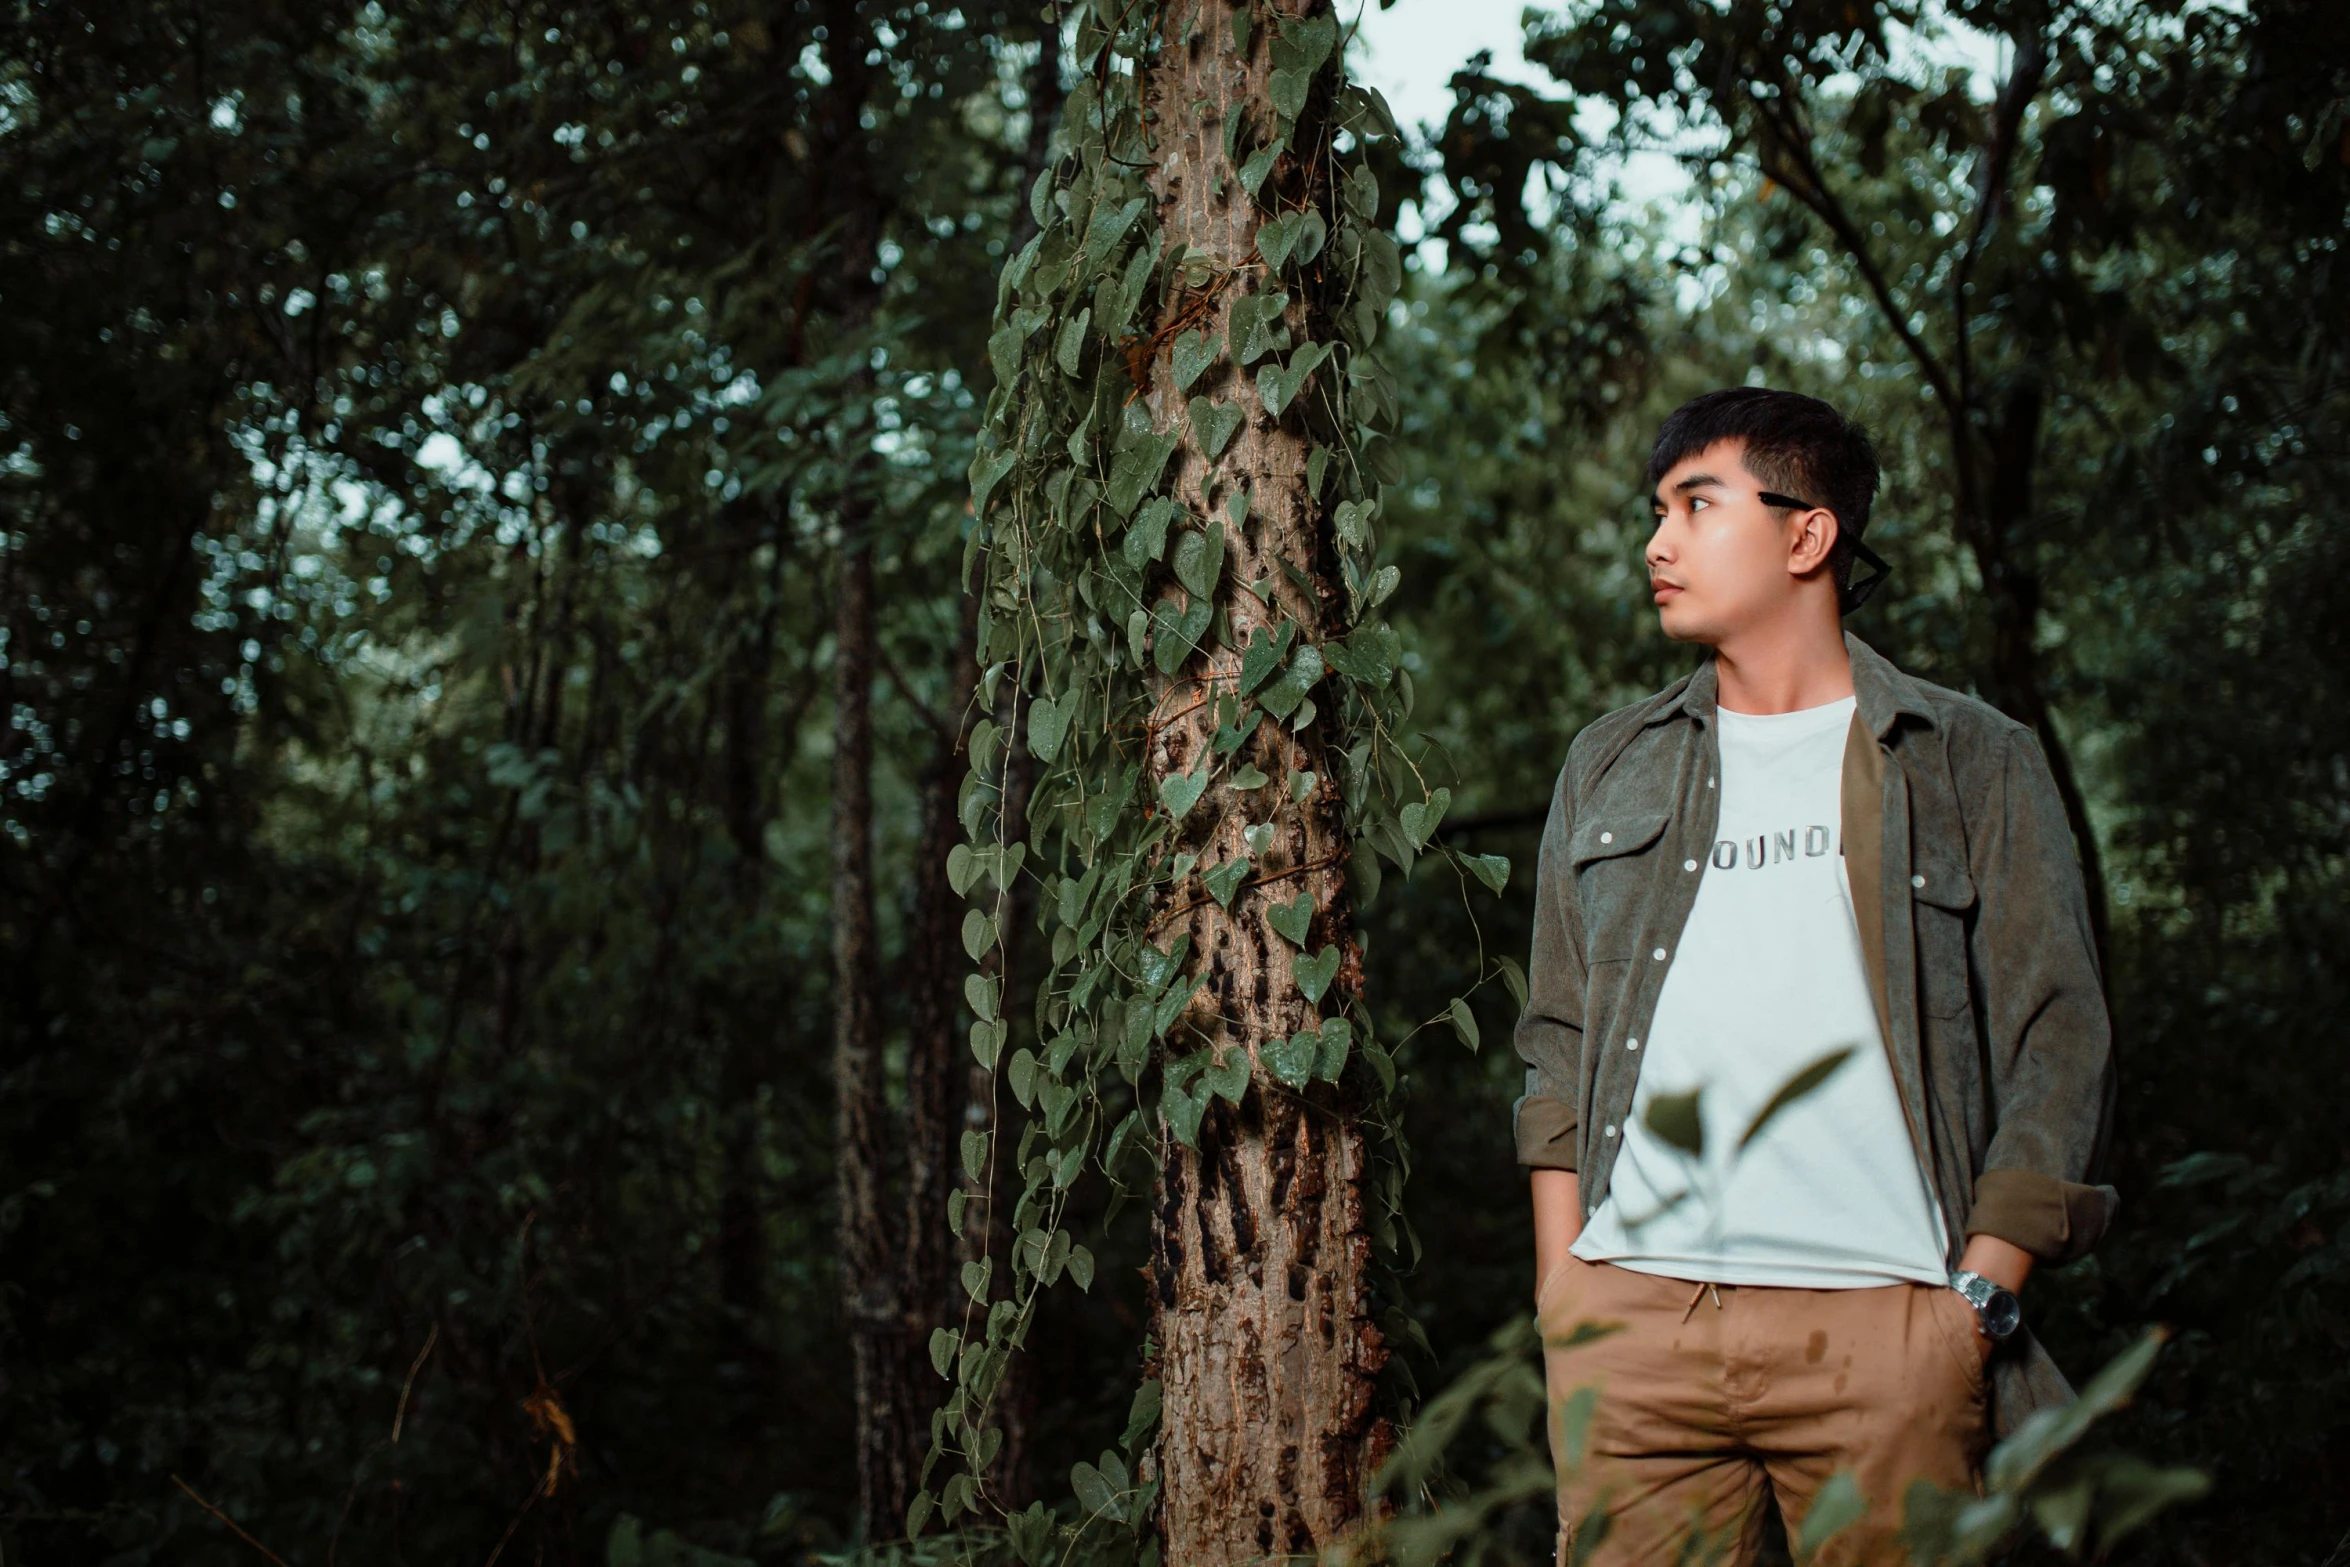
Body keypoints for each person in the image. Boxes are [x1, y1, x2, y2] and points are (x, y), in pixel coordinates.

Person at [1512, 387, 2117, 1566]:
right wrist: (1564, 1292)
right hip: (1633, 1326)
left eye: (1697, 503)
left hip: (1885, 1335)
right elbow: (1558, 1034)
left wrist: (1977, 1302)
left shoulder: (1968, 760)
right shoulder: (1612, 762)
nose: (1657, 542)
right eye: (1656, 510)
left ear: (1807, 534)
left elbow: (2057, 1034)